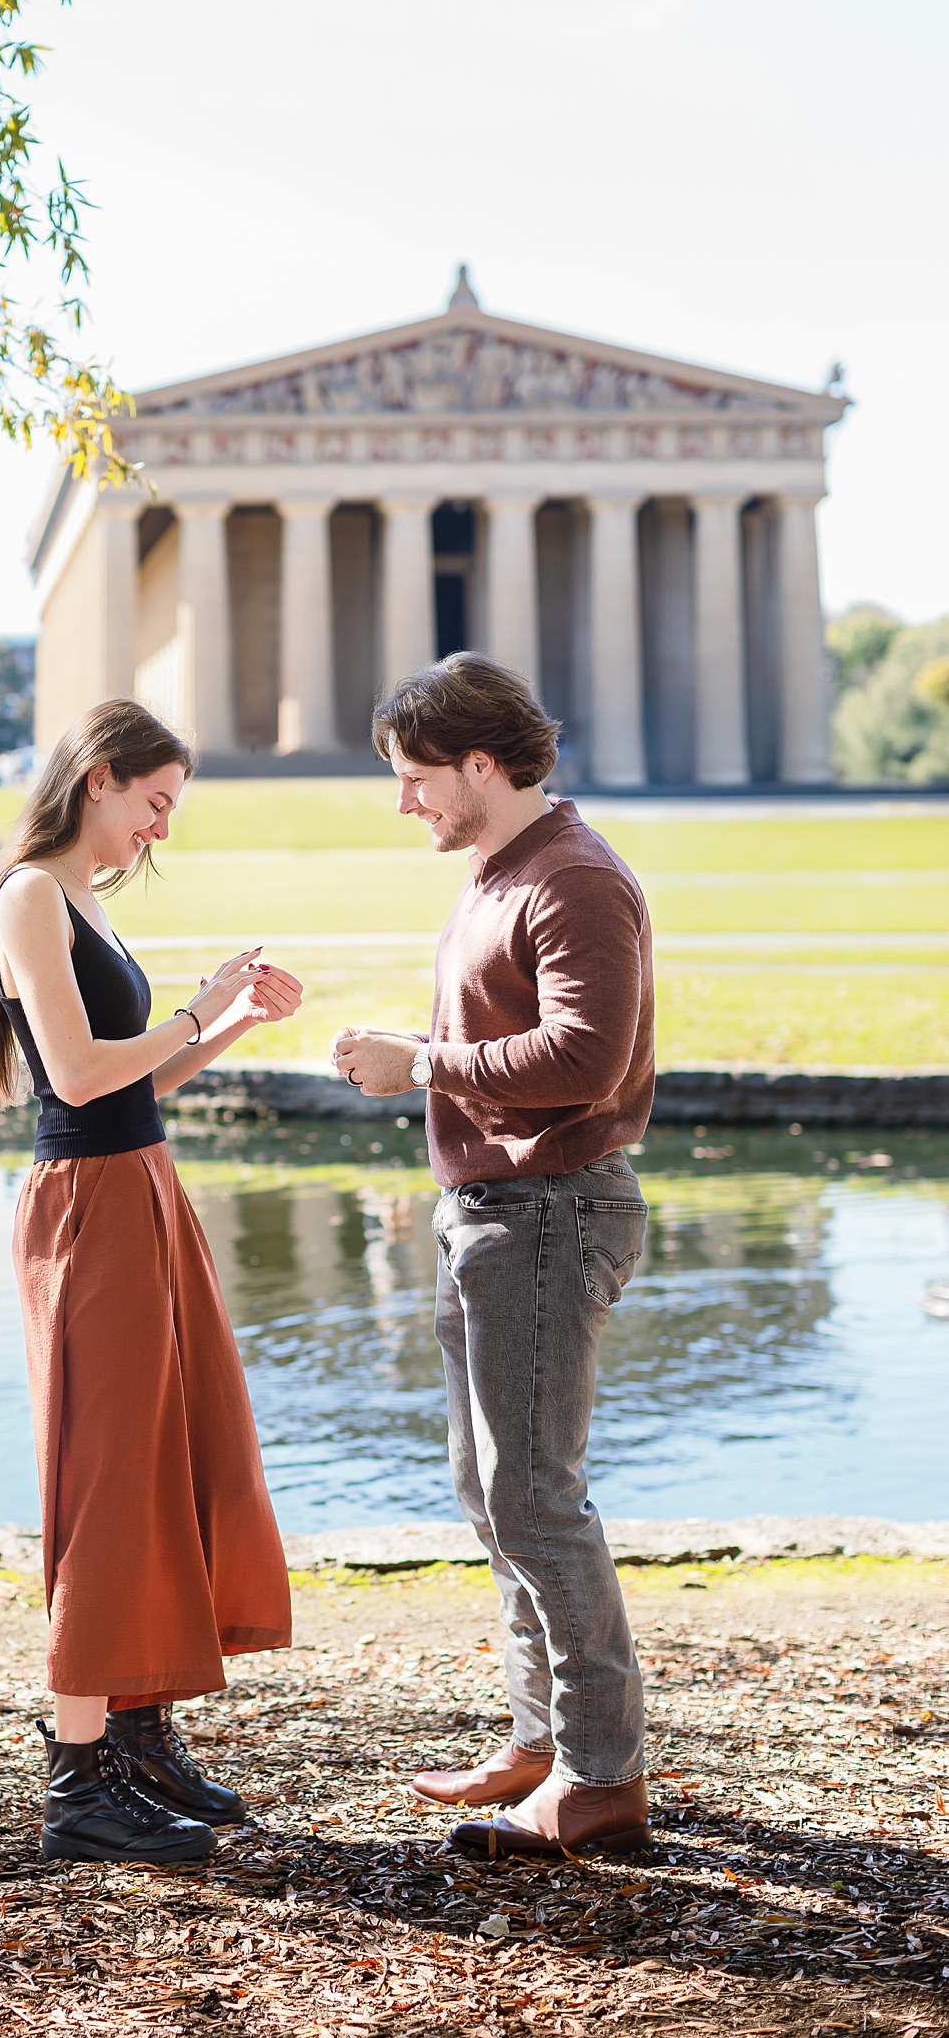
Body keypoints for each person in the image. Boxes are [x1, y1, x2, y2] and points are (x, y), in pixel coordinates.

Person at [0, 698, 302, 1867]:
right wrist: (199, 1005)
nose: (160, 828)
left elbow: (133, 1079)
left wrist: (230, 1023)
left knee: (172, 1453)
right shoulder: (28, 895)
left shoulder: (84, 905)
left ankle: (141, 1742)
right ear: (100, 779)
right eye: (154, 802)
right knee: (107, 1476)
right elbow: (74, 1068)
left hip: (140, 1183)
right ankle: (79, 1783)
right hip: (89, 1210)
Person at [331, 654, 655, 1859]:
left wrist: (420, 1065)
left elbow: (586, 1060)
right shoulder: (500, 872)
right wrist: (421, 1047)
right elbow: (513, 1037)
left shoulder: (571, 878)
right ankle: (540, 1744)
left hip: (550, 1213)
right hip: (496, 1214)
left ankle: (601, 1776)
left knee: (536, 1498)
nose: (404, 800)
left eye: (417, 778)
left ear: (481, 764)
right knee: (492, 1496)